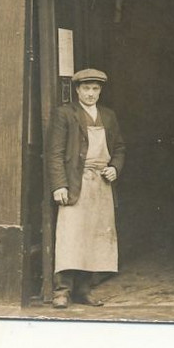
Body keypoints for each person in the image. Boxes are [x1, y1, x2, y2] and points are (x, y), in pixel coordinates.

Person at [44, 68, 126, 308]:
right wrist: (59, 185)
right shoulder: (65, 114)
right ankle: (62, 290)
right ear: (77, 90)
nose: (91, 94)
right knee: (71, 236)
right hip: (75, 183)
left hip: (101, 184)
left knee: (95, 237)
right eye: (86, 89)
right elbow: (55, 153)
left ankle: (84, 289)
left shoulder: (108, 116)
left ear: (100, 91)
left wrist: (115, 168)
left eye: (95, 89)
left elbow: (120, 148)